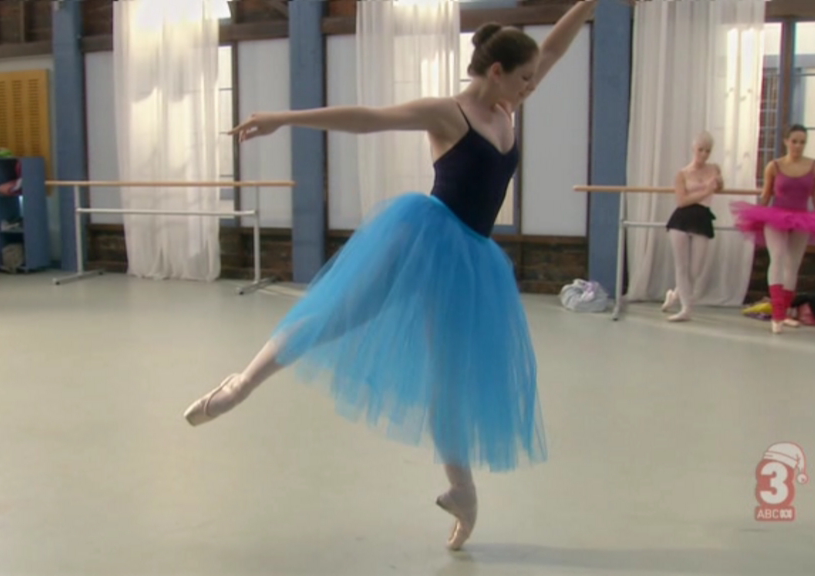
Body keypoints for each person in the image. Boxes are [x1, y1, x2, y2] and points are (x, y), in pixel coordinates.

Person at [182, 1, 598, 551]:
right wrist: (284, 117)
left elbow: (554, 48)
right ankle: (242, 384)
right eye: (524, 79)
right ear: (496, 71)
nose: (531, 86)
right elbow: (367, 118)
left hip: (473, 261)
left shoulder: (508, 101)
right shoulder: (449, 113)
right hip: (423, 238)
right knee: (339, 313)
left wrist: (587, 3)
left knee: (449, 376)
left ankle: (462, 491)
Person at [730, 125, 815, 334]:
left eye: (802, 142)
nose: (798, 146)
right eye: (794, 141)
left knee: (792, 264)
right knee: (777, 257)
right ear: (786, 142)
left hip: (802, 218)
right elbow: (767, 194)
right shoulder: (774, 166)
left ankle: (785, 311)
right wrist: (757, 215)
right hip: (776, 216)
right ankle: (777, 312)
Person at [661, 131, 722, 322]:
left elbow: (719, 188)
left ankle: (674, 295)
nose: (704, 154)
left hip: (702, 219)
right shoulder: (683, 173)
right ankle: (686, 308)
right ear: (693, 149)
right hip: (681, 219)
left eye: (708, 151)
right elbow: (681, 201)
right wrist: (706, 191)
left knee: (696, 269)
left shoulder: (714, 168)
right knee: (682, 266)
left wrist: (718, 184)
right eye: (700, 150)